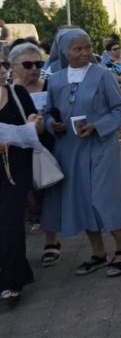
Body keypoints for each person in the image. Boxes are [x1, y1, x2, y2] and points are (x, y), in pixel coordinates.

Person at [42, 29, 121, 278]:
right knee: (81, 199)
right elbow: (48, 112)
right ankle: (98, 253)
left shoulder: (102, 75)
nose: (84, 53)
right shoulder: (56, 79)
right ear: (64, 52)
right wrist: (53, 124)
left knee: (102, 197)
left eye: (87, 47)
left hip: (100, 146)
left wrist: (98, 125)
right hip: (69, 148)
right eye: (77, 49)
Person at [0, 64, 49, 301]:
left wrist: (35, 123)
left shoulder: (17, 94)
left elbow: (38, 126)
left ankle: (12, 282)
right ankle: (19, 270)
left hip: (16, 169)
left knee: (10, 222)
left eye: (1, 66)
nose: (1, 71)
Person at [8, 42, 50, 233]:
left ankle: (52, 241)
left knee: (48, 199)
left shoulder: (51, 83)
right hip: (15, 159)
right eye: (27, 65)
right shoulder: (7, 91)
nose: (34, 69)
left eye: (38, 64)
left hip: (43, 153)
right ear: (12, 65)